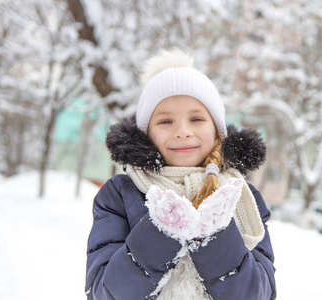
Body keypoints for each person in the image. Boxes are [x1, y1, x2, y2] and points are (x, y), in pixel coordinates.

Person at [85, 48, 276, 299]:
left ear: (218, 132)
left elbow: (259, 294)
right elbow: (103, 293)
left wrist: (215, 235)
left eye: (196, 118)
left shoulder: (241, 197)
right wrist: (161, 233)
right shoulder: (120, 194)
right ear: (147, 134)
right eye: (165, 121)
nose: (183, 131)